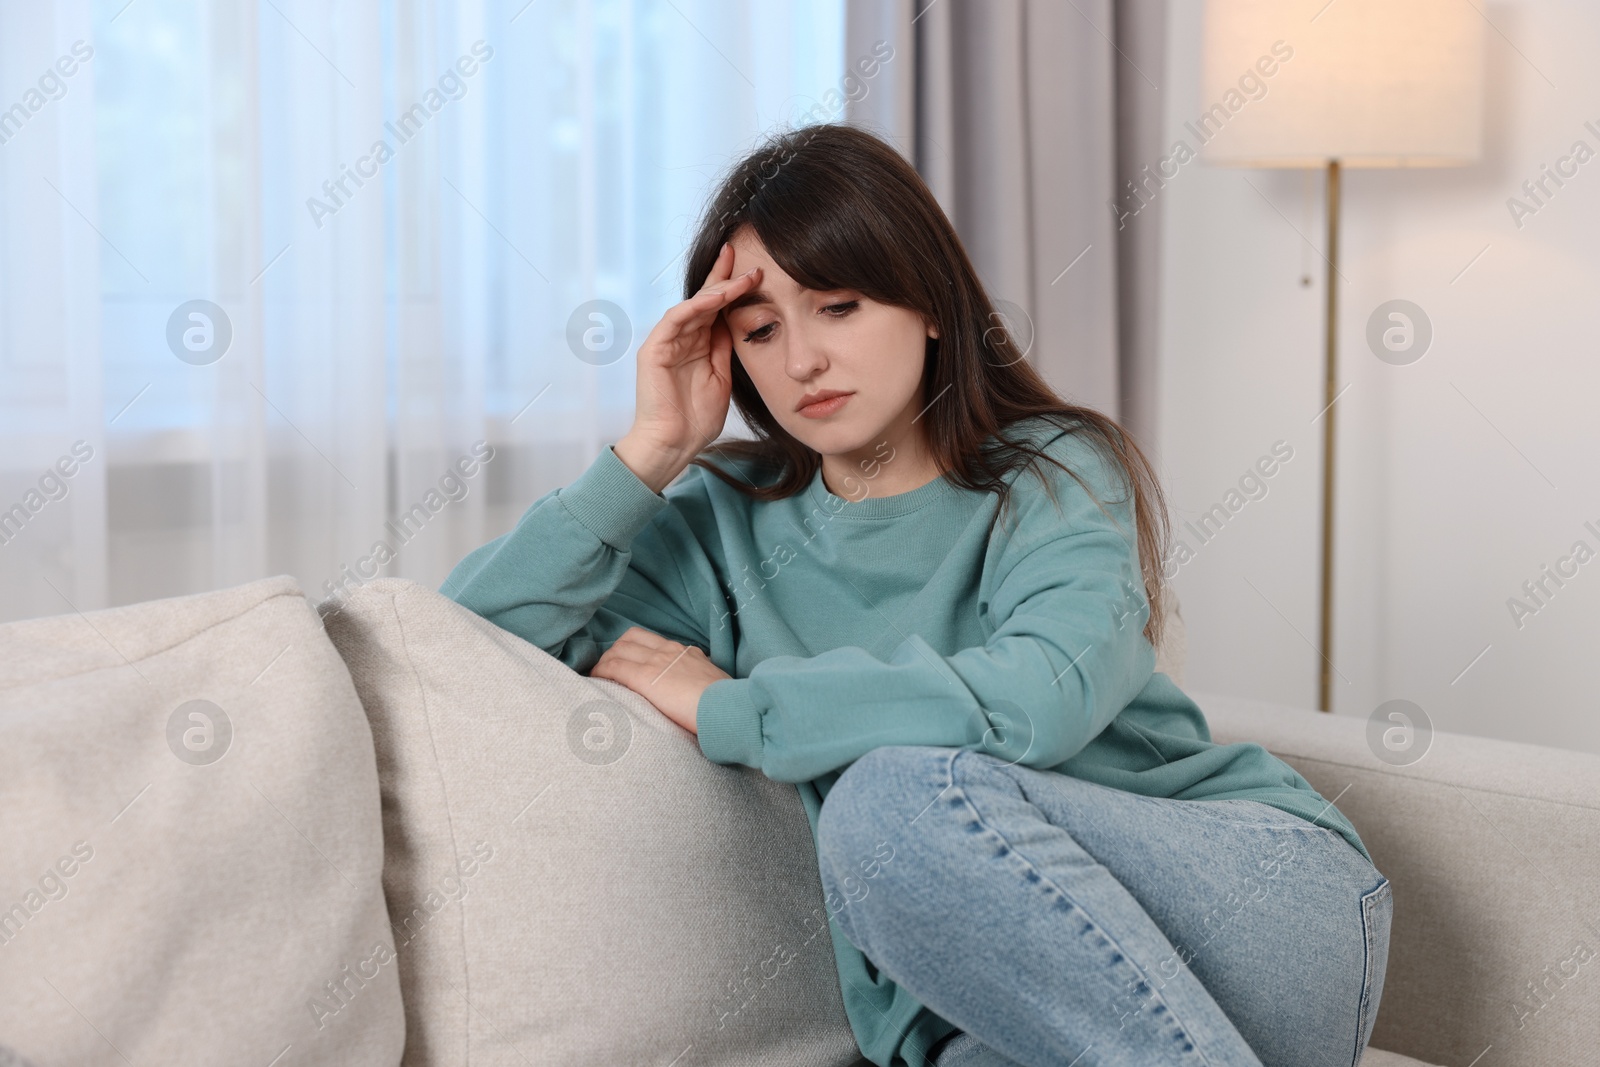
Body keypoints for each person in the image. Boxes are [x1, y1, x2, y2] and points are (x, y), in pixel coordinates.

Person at [440, 123, 1392, 1067]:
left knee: (887, 803)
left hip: (1264, 905)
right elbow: (466, 647)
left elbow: (1036, 698)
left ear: (932, 306)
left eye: (839, 307)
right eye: (762, 331)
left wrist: (735, 706)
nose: (802, 360)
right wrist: (648, 453)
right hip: (989, 998)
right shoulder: (716, 519)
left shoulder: (1055, 473)